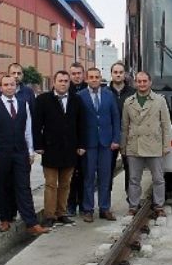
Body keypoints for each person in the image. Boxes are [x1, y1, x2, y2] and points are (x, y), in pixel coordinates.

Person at [0, 75, 50, 236]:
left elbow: (27, 130)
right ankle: (5, 219)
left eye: (12, 84)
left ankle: (31, 223)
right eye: (6, 85)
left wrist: (30, 151)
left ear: (16, 86)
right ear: (0, 87)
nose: (9, 87)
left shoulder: (23, 104)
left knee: (24, 187)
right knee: (2, 186)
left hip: (20, 152)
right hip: (1, 152)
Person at [33, 70, 86, 227]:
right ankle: (50, 215)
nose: (63, 83)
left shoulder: (76, 100)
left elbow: (81, 124)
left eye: (66, 81)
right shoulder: (43, 100)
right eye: (60, 81)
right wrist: (38, 145)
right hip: (50, 148)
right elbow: (36, 124)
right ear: (54, 83)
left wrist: (82, 145)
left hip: (70, 149)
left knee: (65, 184)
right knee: (50, 184)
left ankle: (61, 213)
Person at [121, 71, 172, 216]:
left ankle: (159, 205)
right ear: (135, 83)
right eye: (139, 81)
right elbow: (125, 126)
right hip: (134, 145)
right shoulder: (128, 102)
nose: (142, 84)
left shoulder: (159, 101)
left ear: (150, 82)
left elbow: (165, 124)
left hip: (154, 145)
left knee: (158, 178)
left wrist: (166, 145)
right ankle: (133, 205)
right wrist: (123, 146)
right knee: (134, 179)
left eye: (144, 81)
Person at [77, 68, 121, 222]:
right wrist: (79, 143)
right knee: (88, 177)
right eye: (91, 77)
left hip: (106, 143)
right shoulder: (80, 96)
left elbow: (116, 118)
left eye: (97, 77)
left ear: (101, 78)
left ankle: (104, 208)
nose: (94, 79)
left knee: (105, 177)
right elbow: (77, 122)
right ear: (87, 79)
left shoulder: (109, 96)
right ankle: (88, 209)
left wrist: (116, 139)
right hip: (88, 143)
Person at [108, 62, 135, 194]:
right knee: (107, 171)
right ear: (111, 74)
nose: (118, 75)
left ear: (124, 74)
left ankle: (132, 201)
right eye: (115, 72)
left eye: (120, 72)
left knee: (131, 171)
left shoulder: (133, 93)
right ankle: (105, 205)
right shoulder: (105, 93)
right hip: (109, 138)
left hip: (128, 138)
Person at [67, 62, 88, 215]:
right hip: (69, 140)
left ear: (83, 74)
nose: (76, 76)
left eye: (79, 73)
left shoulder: (90, 90)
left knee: (85, 174)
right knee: (70, 175)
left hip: (85, 139)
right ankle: (70, 205)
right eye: (73, 74)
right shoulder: (65, 90)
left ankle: (83, 203)